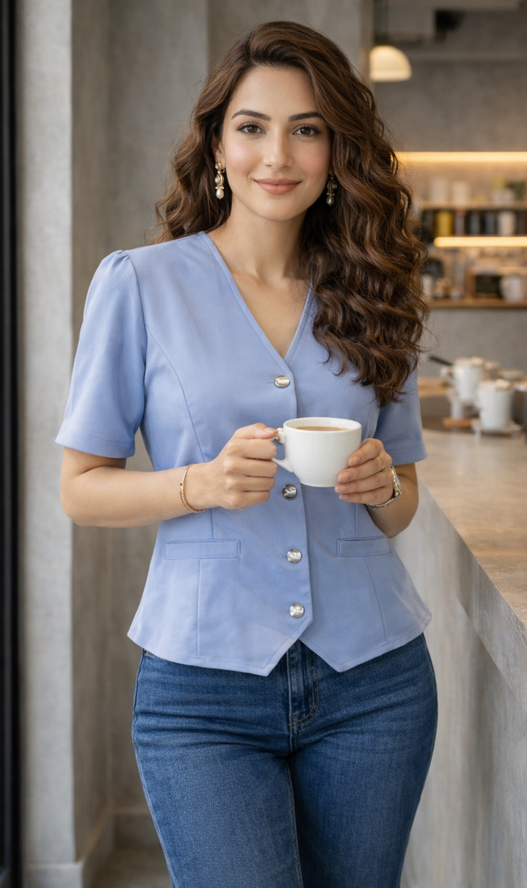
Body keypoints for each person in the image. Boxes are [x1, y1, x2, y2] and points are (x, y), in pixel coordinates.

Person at [57, 20, 437, 888]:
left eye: (307, 129)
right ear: (218, 146)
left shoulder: (377, 288)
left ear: (338, 150)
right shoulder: (140, 284)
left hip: (374, 683)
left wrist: (381, 484)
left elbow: (403, 498)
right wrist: (199, 483)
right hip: (201, 690)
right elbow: (80, 489)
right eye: (253, 127)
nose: (279, 154)